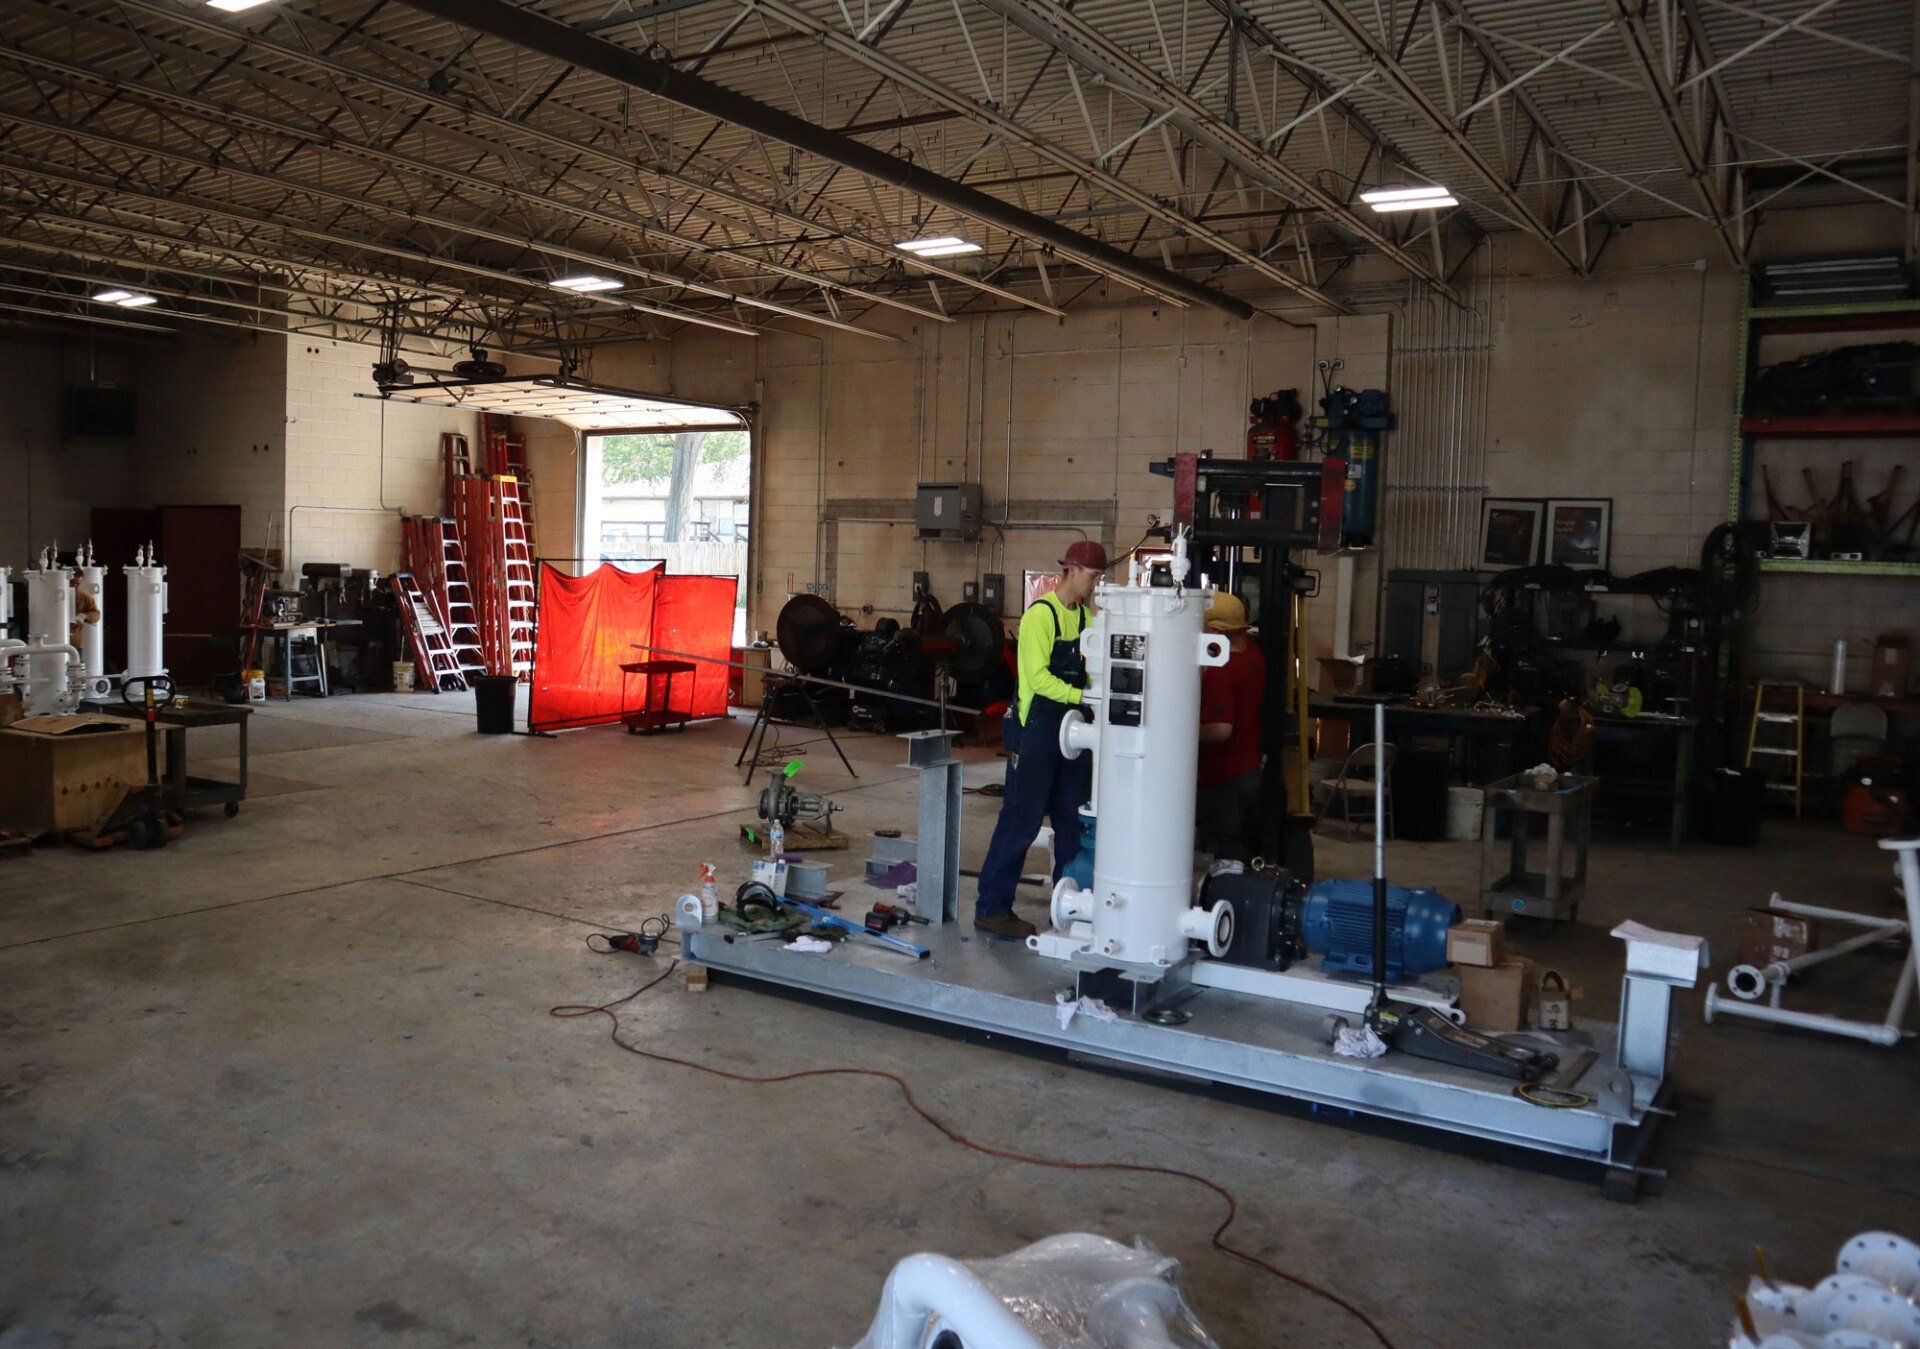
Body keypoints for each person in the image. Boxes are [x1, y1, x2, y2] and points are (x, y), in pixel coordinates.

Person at [973, 541, 1109, 938]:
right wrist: (1084, 696)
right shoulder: (1041, 615)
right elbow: (1036, 678)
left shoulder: (1087, 618)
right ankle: (992, 908)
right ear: (1071, 570)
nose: (1096, 584)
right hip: (1037, 731)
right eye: (1093, 576)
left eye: (1100, 578)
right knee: (1021, 822)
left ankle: (1068, 908)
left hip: (1074, 733)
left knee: (1072, 822)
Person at [1195, 591, 1267, 865]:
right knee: (1234, 840)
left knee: (1216, 853)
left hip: (1219, 778)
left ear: (1215, 631)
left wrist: (1179, 732)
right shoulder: (1255, 656)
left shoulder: (1222, 670)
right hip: (1247, 769)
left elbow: (1221, 729)